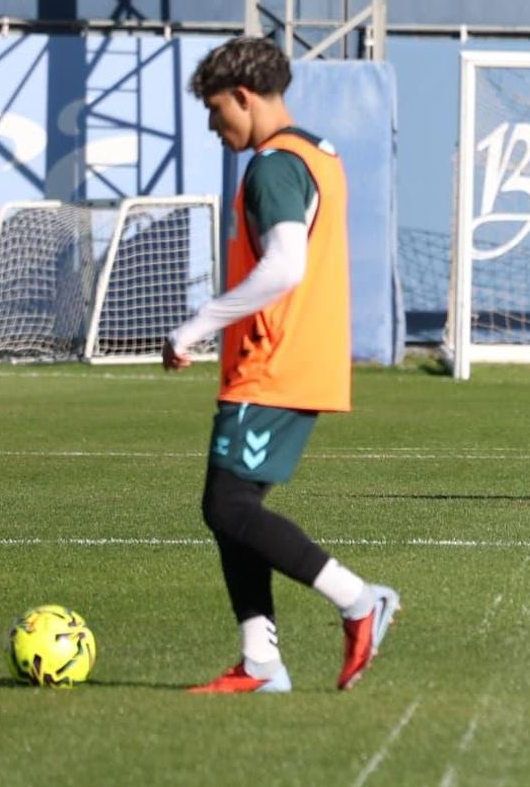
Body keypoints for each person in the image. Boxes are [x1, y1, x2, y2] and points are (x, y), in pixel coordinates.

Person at [163, 36, 399, 692]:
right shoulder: (317, 153)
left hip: (275, 360)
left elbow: (286, 265)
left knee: (227, 507)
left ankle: (359, 599)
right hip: (295, 359)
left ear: (243, 96)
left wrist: (195, 326)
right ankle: (261, 662)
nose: (214, 128)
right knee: (233, 505)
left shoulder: (272, 165)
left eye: (215, 111)